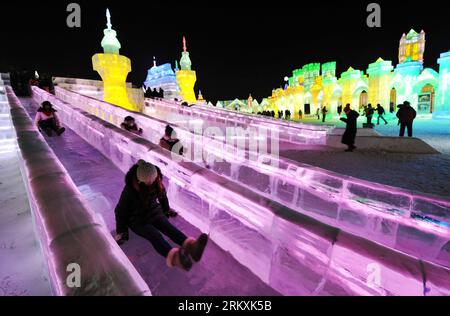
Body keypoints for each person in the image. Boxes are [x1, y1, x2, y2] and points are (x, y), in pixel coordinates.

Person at [114, 160, 208, 271]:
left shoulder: (157, 180)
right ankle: (175, 257)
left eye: (152, 180)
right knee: (154, 235)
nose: (150, 183)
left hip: (154, 211)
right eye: (147, 182)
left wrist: (166, 210)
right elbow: (120, 211)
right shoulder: (129, 190)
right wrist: (122, 232)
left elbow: (162, 196)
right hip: (137, 219)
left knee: (169, 228)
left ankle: (192, 248)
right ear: (139, 180)